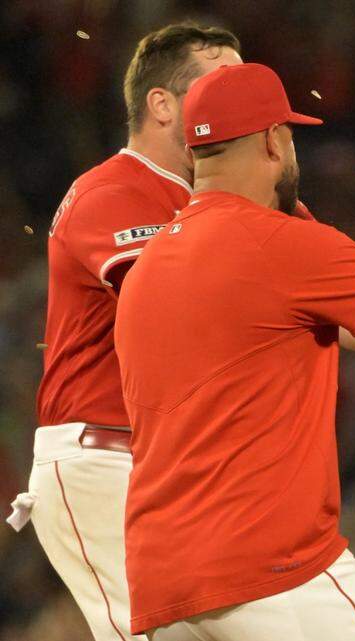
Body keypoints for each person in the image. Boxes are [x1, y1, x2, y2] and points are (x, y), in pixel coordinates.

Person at [114, 62, 355, 639]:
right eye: (289, 136)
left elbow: (343, 331)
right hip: (269, 571)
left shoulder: (151, 264)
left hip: (161, 584)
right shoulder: (283, 243)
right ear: (273, 139)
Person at [5, 24, 241, 641]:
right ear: (161, 103)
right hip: (103, 459)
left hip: (179, 466)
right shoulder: (109, 191)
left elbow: (350, 310)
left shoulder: (239, 193)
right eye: (219, 87)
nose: (236, 104)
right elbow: (170, 309)